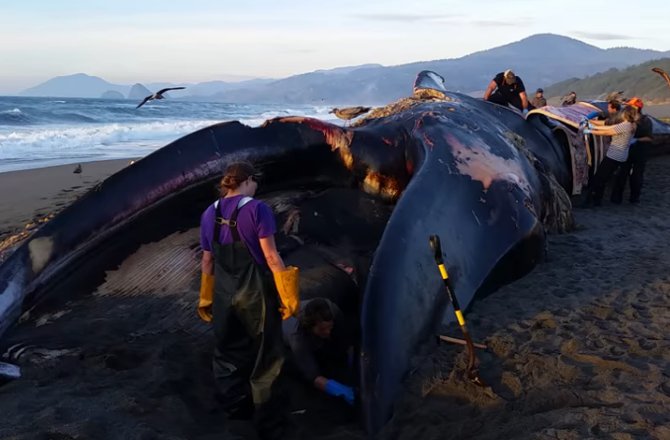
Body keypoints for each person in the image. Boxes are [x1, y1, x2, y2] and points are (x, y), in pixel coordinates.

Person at [198, 161, 300, 438]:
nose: (256, 188)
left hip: (223, 292)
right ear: (248, 180)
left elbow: (207, 261)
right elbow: (270, 256)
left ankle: (236, 414)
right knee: (267, 357)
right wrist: (288, 293)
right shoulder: (258, 209)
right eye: (255, 182)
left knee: (227, 354)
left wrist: (206, 295)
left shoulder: (209, 212)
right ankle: (268, 423)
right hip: (254, 291)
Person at [282, 297, 356, 405]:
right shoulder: (297, 338)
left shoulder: (333, 310)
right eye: (322, 329)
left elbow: (346, 341)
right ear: (311, 327)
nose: (327, 332)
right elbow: (314, 377)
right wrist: (341, 391)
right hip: (284, 338)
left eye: (330, 327)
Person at [583, 105, 639, 206]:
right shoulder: (632, 125)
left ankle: (591, 201)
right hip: (622, 156)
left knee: (599, 178)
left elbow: (607, 132)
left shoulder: (625, 125)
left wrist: (590, 130)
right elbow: (610, 127)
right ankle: (597, 200)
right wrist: (593, 125)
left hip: (614, 155)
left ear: (625, 114)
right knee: (604, 178)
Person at [611, 97, 653, 204]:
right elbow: (611, 124)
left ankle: (634, 198)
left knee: (637, 175)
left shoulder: (646, 121)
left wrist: (636, 140)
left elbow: (650, 138)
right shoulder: (628, 119)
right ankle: (617, 198)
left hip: (640, 151)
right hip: (627, 151)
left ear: (635, 108)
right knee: (622, 174)